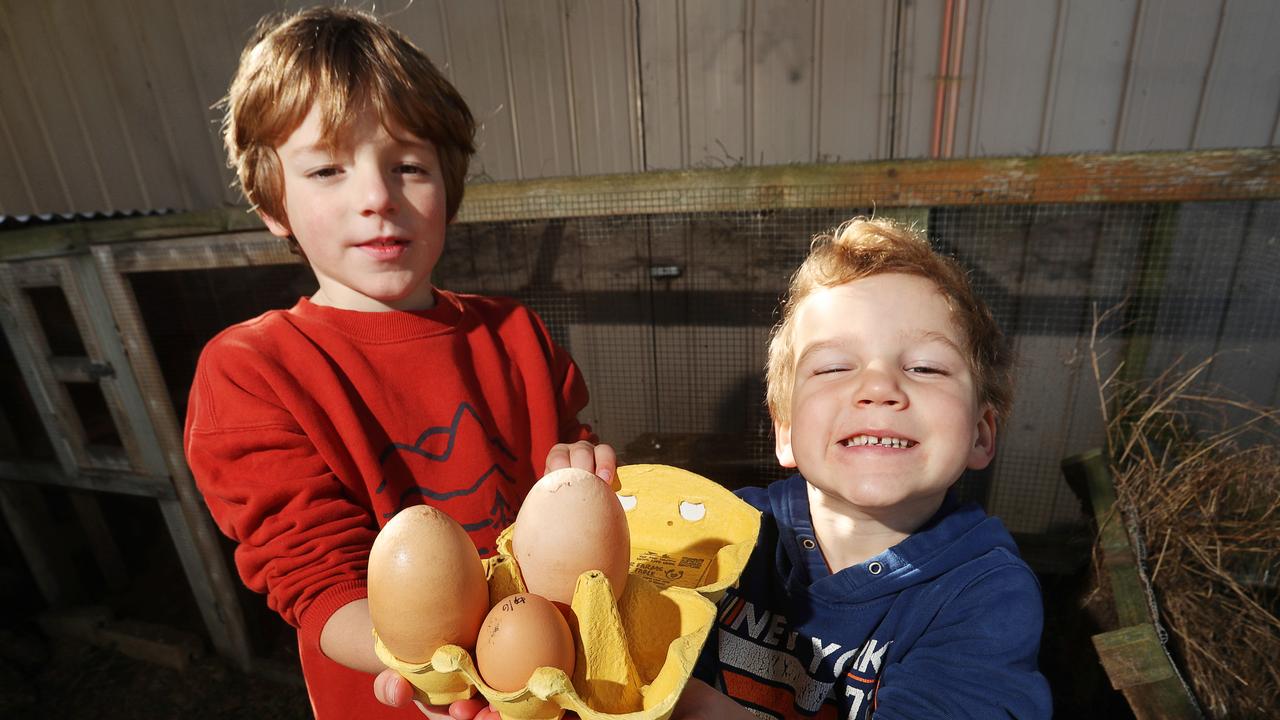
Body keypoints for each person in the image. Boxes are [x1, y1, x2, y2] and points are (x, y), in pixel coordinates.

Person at [183, 7, 612, 719]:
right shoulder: (253, 369)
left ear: (446, 181)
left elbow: (571, 494)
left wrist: (588, 476)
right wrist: (437, 666)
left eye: (407, 165)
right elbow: (311, 573)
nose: (377, 199)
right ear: (272, 201)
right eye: (326, 169)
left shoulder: (515, 336)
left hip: (556, 691)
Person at [673, 217, 1053, 719]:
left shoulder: (985, 597)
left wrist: (688, 709)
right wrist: (575, 512)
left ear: (981, 434)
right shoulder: (725, 533)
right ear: (785, 430)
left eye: (925, 367)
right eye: (833, 366)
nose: (879, 388)